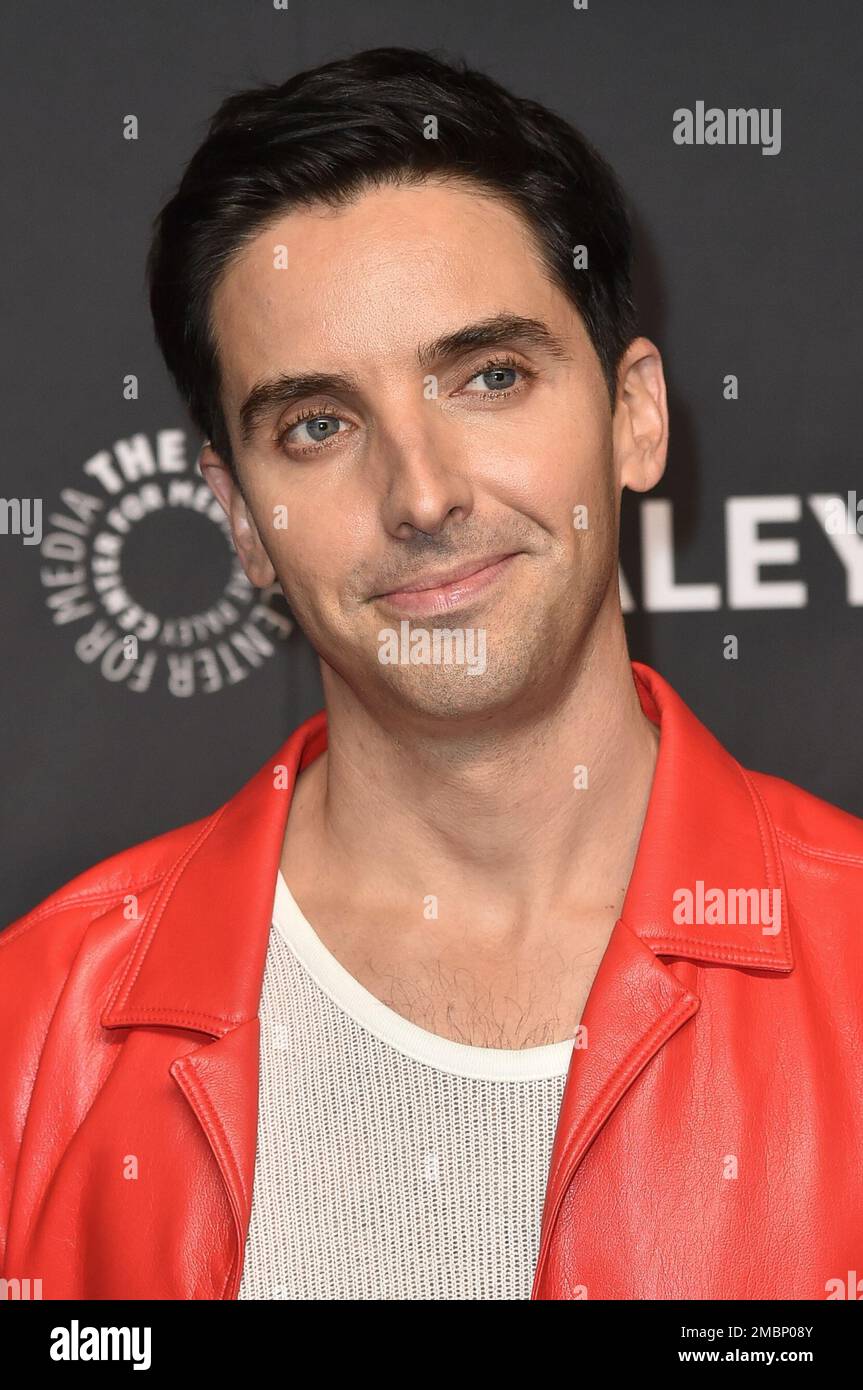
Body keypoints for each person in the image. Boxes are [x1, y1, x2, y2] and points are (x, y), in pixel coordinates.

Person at [2, 46, 861, 1303]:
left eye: (488, 376)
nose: (419, 493)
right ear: (239, 517)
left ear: (634, 415)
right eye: (317, 425)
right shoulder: (33, 1038)